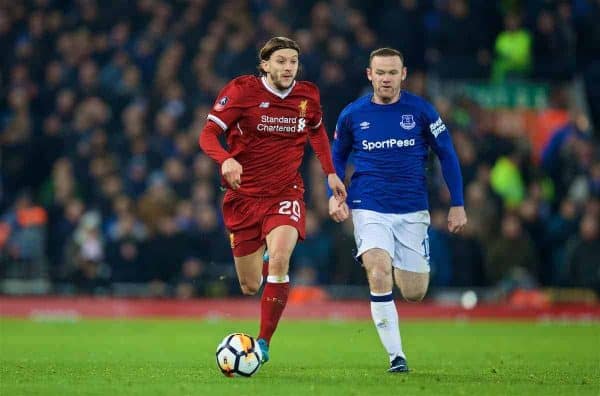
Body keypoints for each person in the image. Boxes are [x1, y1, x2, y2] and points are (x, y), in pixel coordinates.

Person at [199, 36, 347, 363]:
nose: (288, 67)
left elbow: (318, 131)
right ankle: (265, 256)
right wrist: (225, 159)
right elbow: (207, 134)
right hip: (244, 197)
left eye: (293, 61)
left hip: (285, 192)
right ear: (265, 64)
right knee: (250, 285)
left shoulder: (307, 95)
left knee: (280, 258)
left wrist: (330, 172)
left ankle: (263, 343)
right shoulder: (241, 91)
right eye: (280, 61)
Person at [328, 48, 467, 373]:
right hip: (368, 206)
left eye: (392, 73)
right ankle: (397, 358)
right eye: (380, 73)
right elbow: (336, 157)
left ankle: (407, 278)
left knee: (415, 291)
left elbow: (447, 154)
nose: (386, 79)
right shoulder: (352, 114)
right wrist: (333, 194)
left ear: (403, 74)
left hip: (412, 210)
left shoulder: (421, 111)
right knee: (378, 271)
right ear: (369, 75)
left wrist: (457, 202)